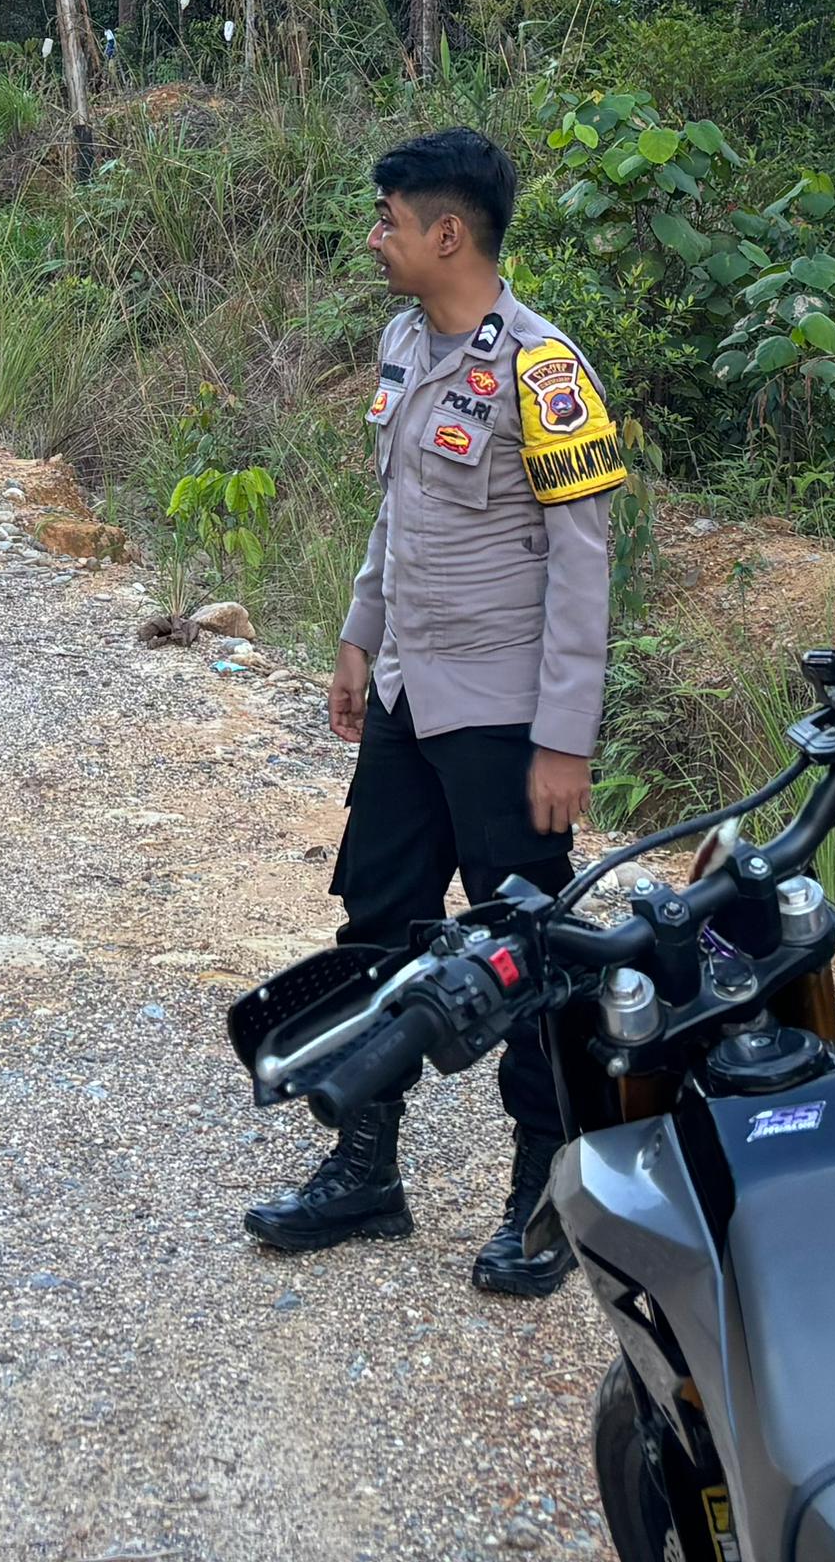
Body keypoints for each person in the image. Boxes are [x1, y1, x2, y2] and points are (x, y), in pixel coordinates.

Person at [245, 125, 627, 1298]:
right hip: (413, 691)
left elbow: (583, 567)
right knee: (378, 917)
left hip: (508, 711)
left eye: (389, 220)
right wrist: (359, 637)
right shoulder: (405, 345)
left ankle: (544, 1196)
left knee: (525, 952)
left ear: (445, 232)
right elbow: (397, 514)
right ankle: (364, 1170)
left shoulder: (544, 373)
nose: (375, 237)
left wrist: (563, 739)